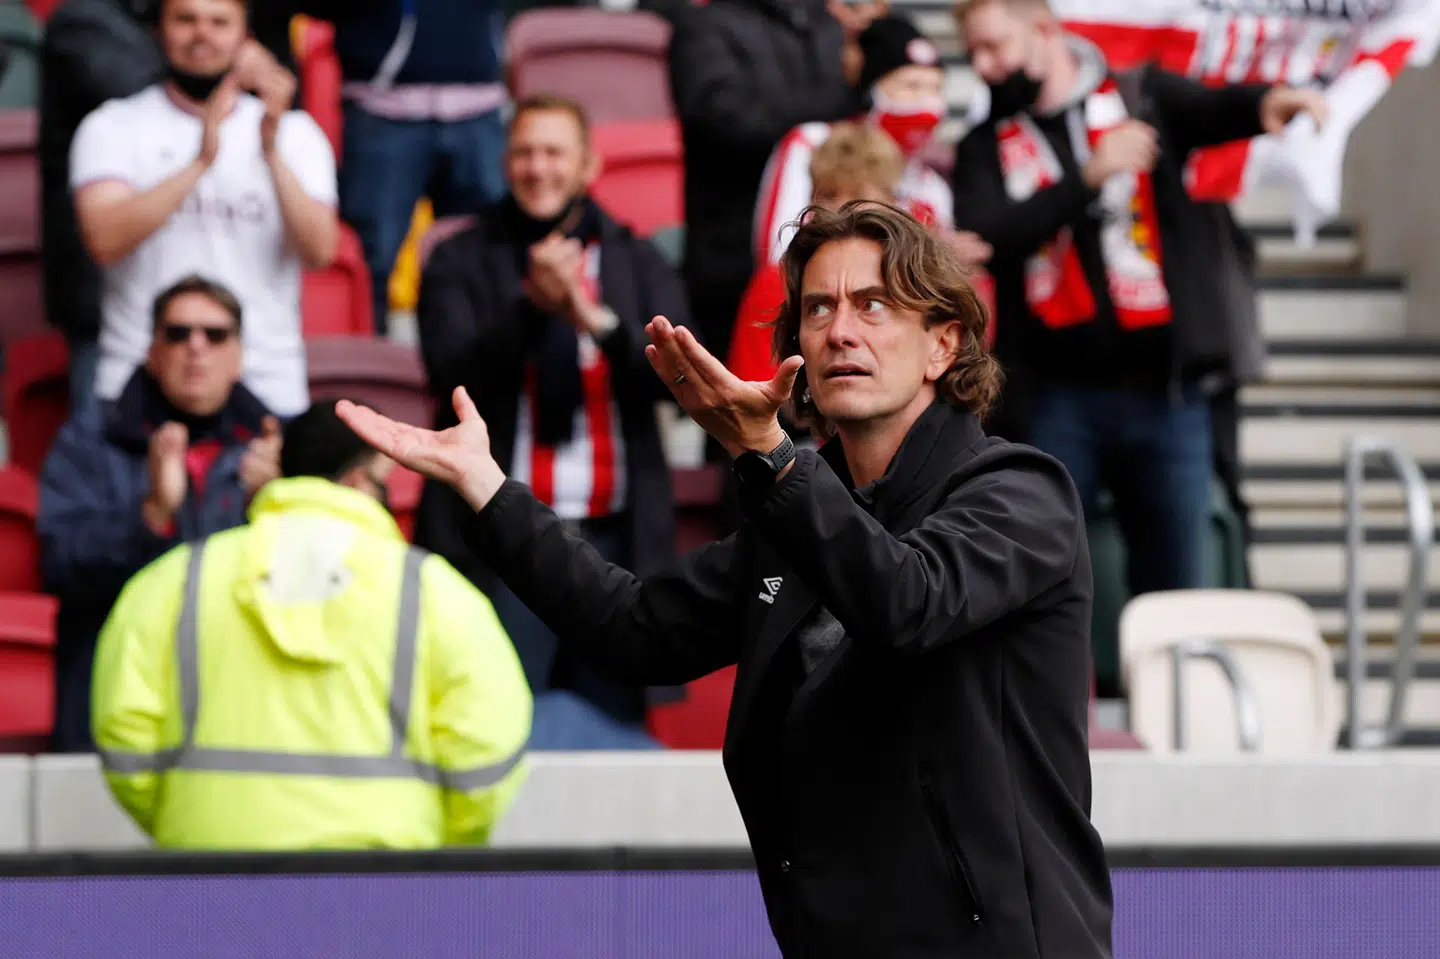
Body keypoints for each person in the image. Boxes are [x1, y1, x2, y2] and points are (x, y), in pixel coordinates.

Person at [340, 203, 1113, 957]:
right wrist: (487, 488)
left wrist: (776, 463)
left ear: (944, 344)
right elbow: (631, 627)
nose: (840, 329)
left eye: (873, 305)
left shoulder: (1019, 491)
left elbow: (906, 602)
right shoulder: (798, 515)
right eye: (818, 308)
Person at [950, 0, 1326, 593]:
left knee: (1177, 586)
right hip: (1057, 395)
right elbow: (994, 234)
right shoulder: (981, 144)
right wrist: (1089, 178)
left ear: (1044, 30)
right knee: (1045, 580)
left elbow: (1212, 109)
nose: (984, 66)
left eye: (994, 46)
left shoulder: (1139, 97)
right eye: (973, 53)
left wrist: (1266, 104)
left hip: (1168, 395)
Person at [91, 399, 533, 849]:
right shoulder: (436, 593)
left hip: (209, 879)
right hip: (388, 885)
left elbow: (125, 734)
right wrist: (442, 839)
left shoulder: (176, 581)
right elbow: (487, 750)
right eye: (385, 485)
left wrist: (181, 819)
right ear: (360, 481)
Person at [415, 94, 690, 745]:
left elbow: (683, 384)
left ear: (588, 165)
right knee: (493, 725)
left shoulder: (635, 258)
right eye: (524, 152)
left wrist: (594, 320)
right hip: (502, 540)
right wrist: (534, 309)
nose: (538, 168)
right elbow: (450, 378)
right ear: (505, 162)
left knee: (614, 734)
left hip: (617, 541)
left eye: (553, 152)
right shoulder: (461, 257)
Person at [39, 0, 320, 419]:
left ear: (248, 38)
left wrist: (271, 152)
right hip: (133, 380)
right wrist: (201, 162)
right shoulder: (111, 125)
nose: (201, 34)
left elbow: (321, 251)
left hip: (266, 380)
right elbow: (104, 240)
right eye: (186, 20)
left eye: (219, 22)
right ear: (157, 30)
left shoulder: (292, 132)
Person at [37, 275, 280, 753]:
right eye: (177, 333)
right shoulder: (90, 440)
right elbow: (58, 563)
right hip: (114, 702)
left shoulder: (279, 450)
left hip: (240, 707)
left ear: (239, 356)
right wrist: (151, 514)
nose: (195, 347)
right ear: (152, 350)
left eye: (214, 335)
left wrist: (278, 506)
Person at [667, 0, 863, 362]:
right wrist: (844, 99)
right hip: (735, 259)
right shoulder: (705, 26)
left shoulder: (827, 23)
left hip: (829, 248)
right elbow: (726, 120)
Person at [731, 121, 994, 385]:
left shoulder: (928, 281)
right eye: (827, 195)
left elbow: (967, 373)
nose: (839, 210)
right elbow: (753, 397)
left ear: (892, 203)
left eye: (858, 196)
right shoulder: (778, 283)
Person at [334, 0, 510, 334]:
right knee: (371, 260)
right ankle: (367, 375)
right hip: (380, 105)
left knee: (489, 257)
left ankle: (481, 375)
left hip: (478, 103)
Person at [753, 15, 957, 266]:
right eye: (911, 86)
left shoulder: (931, 185)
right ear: (872, 92)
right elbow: (777, 254)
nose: (928, 102)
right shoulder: (812, 143)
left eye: (936, 88)